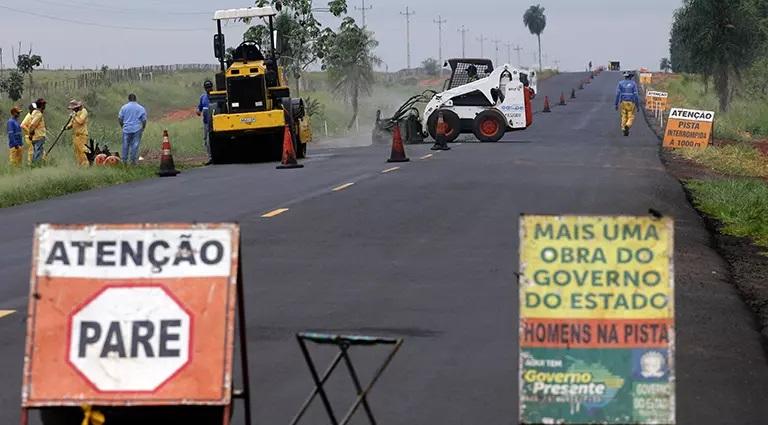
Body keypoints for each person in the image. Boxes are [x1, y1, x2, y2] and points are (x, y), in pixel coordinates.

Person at [118, 93, 147, 165]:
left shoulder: (124, 107)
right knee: (135, 145)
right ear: (135, 99)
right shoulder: (140, 108)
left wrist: (122, 126)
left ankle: (124, 161)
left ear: (128, 99)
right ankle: (133, 161)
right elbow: (144, 120)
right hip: (137, 128)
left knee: (125, 145)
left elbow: (120, 118)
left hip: (126, 129)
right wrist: (143, 127)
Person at [65, 99, 89, 166]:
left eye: (73, 108)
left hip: (82, 135)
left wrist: (74, 116)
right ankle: (79, 165)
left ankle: (86, 166)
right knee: (77, 152)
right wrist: (66, 127)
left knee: (83, 151)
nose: (72, 110)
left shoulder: (84, 111)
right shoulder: (75, 114)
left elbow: (80, 121)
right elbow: (72, 123)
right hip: (75, 136)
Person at [615, 71, 639, 136]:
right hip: (631, 103)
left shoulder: (620, 83)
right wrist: (637, 105)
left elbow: (617, 94)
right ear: (631, 77)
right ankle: (627, 125)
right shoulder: (633, 84)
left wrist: (616, 104)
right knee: (631, 116)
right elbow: (636, 95)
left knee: (623, 116)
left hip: (623, 102)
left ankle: (623, 128)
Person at [24, 98, 47, 163]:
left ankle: (35, 165)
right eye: (44, 105)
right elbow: (32, 125)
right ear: (42, 105)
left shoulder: (35, 112)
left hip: (36, 136)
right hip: (38, 136)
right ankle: (36, 165)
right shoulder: (38, 114)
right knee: (38, 152)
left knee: (37, 151)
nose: (45, 106)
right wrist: (30, 134)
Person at [196, 80, 214, 165]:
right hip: (206, 122)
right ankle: (210, 157)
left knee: (212, 140)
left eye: (209, 87)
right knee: (206, 140)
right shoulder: (202, 97)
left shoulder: (216, 96)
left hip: (215, 122)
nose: (208, 89)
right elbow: (199, 108)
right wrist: (198, 111)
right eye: (207, 88)